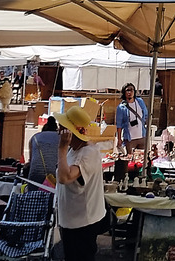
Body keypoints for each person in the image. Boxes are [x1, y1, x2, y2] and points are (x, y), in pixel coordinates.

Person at [53, 105, 111, 261]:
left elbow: (65, 177)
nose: (59, 131)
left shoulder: (89, 153)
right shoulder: (74, 149)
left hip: (83, 221)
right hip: (69, 219)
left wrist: (62, 148)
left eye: (62, 128)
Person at [113, 84, 149, 154]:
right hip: (130, 139)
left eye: (131, 90)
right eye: (127, 90)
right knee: (130, 159)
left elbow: (146, 115)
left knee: (142, 158)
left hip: (142, 136)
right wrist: (119, 139)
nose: (130, 92)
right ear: (124, 92)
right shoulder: (121, 107)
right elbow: (119, 125)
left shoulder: (140, 101)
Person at [27, 116, 62, 185]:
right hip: (56, 174)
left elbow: (31, 160)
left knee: (33, 194)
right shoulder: (62, 138)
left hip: (36, 173)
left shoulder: (35, 137)